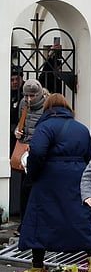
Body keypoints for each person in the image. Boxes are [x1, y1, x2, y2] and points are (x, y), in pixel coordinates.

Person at [18, 94, 91, 272]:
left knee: (40, 219)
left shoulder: (45, 126)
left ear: (48, 108)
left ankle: (37, 265)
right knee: (80, 217)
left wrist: (33, 173)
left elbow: (37, 152)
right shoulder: (81, 128)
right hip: (77, 178)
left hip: (49, 179)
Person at [13, 79, 46, 222]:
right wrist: (17, 131)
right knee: (25, 189)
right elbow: (21, 122)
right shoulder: (23, 104)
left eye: (32, 96)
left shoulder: (46, 106)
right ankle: (24, 222)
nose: (29, 99)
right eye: (26, 96)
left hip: (38, 151)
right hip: (24, 150)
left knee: (36, 187)